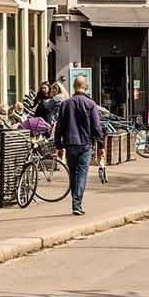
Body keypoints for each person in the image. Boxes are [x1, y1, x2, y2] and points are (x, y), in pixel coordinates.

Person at [52, 74, 104, 216]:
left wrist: (59, 146)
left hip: (69, 143)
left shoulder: (65, 104)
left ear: (74, 86)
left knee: (73, 173)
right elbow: (96, 126)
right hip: (85, 143)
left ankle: (75, 202)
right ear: (85, 87)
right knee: (82, 173)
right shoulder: (90, 104)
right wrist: (101, 145)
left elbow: (59, 127)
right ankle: (77, 204)